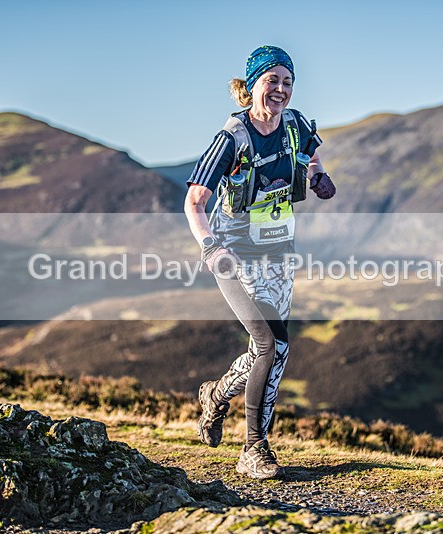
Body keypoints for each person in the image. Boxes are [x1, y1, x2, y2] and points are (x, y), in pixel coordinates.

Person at [183, 45, 337, 480]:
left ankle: (216, 394)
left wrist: (316, 176)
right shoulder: (231, 139)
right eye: (272, 80)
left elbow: (310, 154)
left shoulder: (296, 125)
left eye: (288, 82)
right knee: (269, 344)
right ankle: (254, 448)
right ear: (251, 86)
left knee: (273, 350)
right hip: (235, 256)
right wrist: (212, 248)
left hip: (279, 254)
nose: (281, 89)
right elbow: (193, 201)